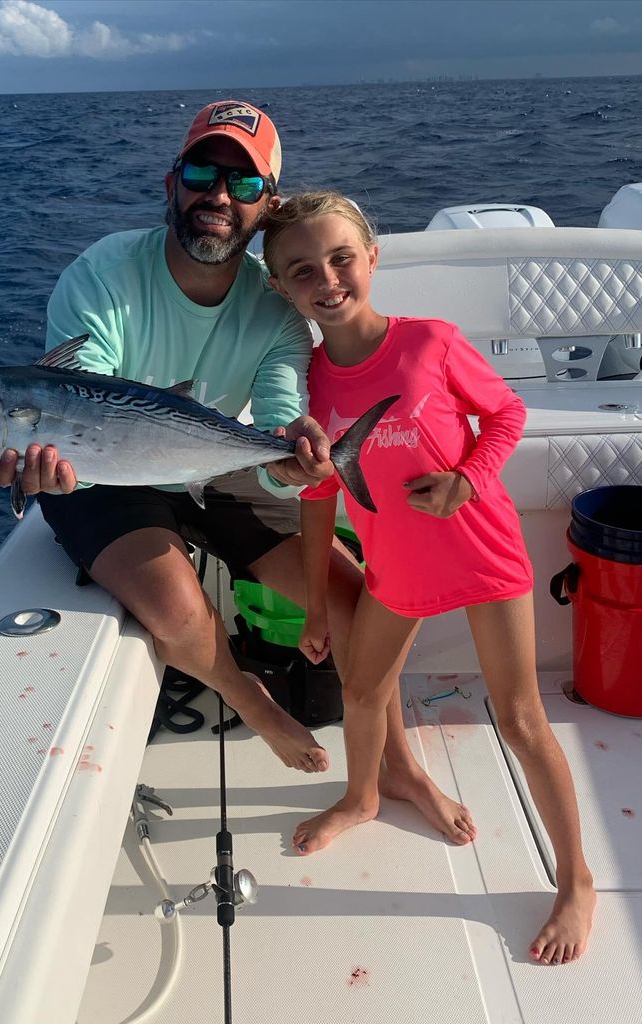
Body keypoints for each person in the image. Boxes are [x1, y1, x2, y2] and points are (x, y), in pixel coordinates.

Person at [0, 102, 475, 841]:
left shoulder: (276, 307)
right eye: (201, 173)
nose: (218, 195)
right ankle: (252, 700)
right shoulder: (102, 273)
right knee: (178, 613)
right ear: (171, 183)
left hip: (213, 454)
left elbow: (284, 407)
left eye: (243, 184)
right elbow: (74, 394)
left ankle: (397, 765)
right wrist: (53, 468)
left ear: (266, 205)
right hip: (100, 473)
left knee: (354, 603)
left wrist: (296, 454)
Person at [262, 190, 595, 965]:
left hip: (481, 554)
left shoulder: (429, 344)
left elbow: (504, 414)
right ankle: (364, 794)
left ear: (371, 258)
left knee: (518, 719)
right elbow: (315, 503)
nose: (327, 278)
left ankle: (574, 877)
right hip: (393, 570)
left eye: (341, 258)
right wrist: (316, 605)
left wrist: (466, 480)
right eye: (302, 270)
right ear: (281, 288)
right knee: (362, 689)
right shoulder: (307, 388)